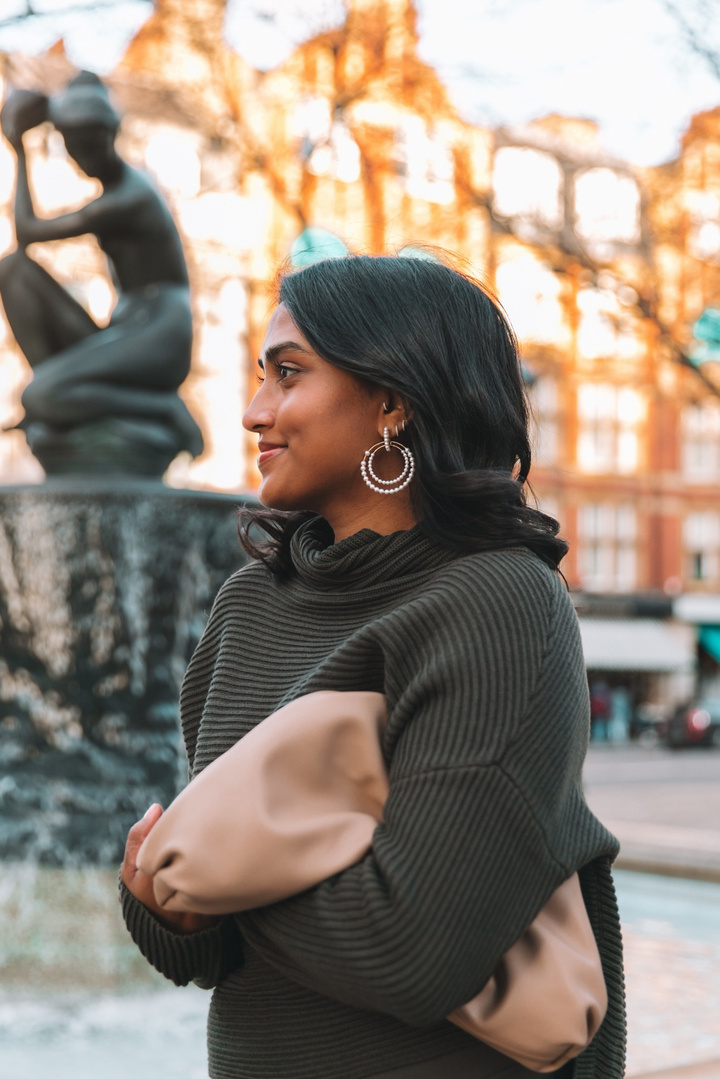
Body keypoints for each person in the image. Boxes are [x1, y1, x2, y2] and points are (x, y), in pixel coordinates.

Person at [120, 255, 626, 1079]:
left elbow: (412, 952)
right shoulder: (249, 605)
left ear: (392, 400)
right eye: (260, 377)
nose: (255, 412)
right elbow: (203, 951)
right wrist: (166, 900)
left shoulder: (500, 603)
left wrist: (193, 869)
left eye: (289, 374)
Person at [0, 72, 202, 467]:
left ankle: (165, 409)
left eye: (85, 148)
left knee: (38, 396)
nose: (79, 160)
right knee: (13, 272)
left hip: (161, 331)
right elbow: (22, 248)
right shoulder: (115, 193)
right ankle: (63, 402)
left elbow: (27, 230)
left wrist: (19, 147)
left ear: (109, 138)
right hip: (126, 326)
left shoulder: (130, 197)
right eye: (72, 148)